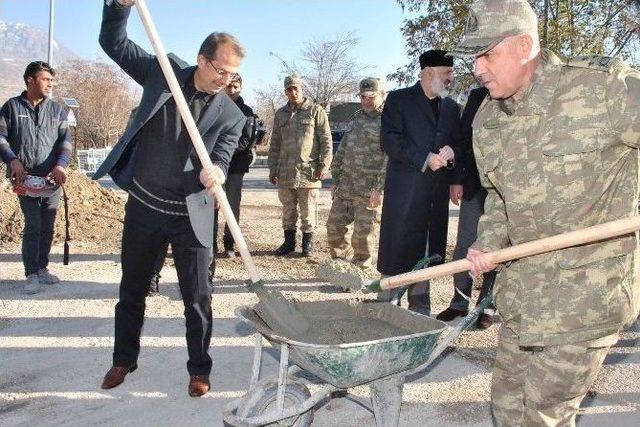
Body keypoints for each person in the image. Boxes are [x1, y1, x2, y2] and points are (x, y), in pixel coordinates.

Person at [449, 0, 640, 424]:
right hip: (523, 293)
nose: (477, 68)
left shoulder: (603, 90)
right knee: (506, 407)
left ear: (523, 45)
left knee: (543, 416)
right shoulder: (488, 120)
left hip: (584, 296)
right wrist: (489, 242)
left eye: (487, 54)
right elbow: (499, 197)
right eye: (473, 58)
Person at [94, 0, 246, 397]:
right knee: (132, 290)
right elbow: (114, 43)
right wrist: (118, 7)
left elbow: (223, 157)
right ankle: (123, 360)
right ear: (201, 59)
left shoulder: (232, 115)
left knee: (198, 299)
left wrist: (215, 171)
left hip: (190, 215)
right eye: (220, 70)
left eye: (233, 75)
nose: (226, 80)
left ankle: (199, 369)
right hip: (144, 206)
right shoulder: (165, 72)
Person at [377, 50, 460, 315]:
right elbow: (389, 140)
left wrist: (452, 152)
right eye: (447, 72)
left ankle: (420, 303)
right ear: (429, 73)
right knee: (398, 243)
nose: (452, 78)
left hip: (435, 193)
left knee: (427, 246)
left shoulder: (451, 107)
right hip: (405, 190)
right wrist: (424, 158)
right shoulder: (399, 99)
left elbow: (459, 141)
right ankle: (387, 302)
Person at [0, 61, 72, 295]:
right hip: (24, 180)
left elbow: (66, 142)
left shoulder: (57, 110)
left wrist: (61, 165)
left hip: (52, 181)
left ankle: (42, 268)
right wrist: (12, 160)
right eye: (45, 79)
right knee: (33, 225)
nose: (50, 84)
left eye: (51, 80)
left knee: (48, 226)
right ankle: (31, 273)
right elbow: (1, 138)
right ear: (30, 80)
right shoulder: (11, 108)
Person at [436, 86, 496, 330]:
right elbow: (463, 138)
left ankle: (487, 306)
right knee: (465, 245)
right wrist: (457, 179)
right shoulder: (478, 96)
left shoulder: (524, 90)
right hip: (475, 185)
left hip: (507, 188)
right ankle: (459, 303)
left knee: (498, 247)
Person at [268, 75, 332, 256]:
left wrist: (324, 166)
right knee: (288, 210)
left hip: (308, 171)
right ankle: (289, 243)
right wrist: (273, 168)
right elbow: (275, 143)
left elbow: (326, 141)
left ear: (301, 89)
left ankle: (307, 244)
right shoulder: (281, 114)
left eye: (296, 88)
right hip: (285, 171)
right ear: (285, 92)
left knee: (308, 210)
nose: (293, 93)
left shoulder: (315, 111)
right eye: (289, 90)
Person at [326, 78, 387, 271]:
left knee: (363, 237)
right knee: (334, 227)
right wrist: (335, 179)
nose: (366, 101)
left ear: (382, 95)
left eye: (371, 97)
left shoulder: (388, 120)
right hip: (346, 186)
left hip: (368, 190)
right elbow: (343, 148)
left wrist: (379, 188)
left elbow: (389, 158)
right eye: (363, 97)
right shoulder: (357, 117)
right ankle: (341, 268)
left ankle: (361, 270)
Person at [214, 74, 259, 259]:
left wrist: (224, 151)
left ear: (241, 87)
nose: (231, 90)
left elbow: (247, 140)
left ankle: (229, 243)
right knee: (212, 205)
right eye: (229, 86)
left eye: (235, 86)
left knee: (232, 206)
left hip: (235, 166)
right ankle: (210, 243)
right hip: (215, 165)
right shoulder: (215, 105)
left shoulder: (247, 111)